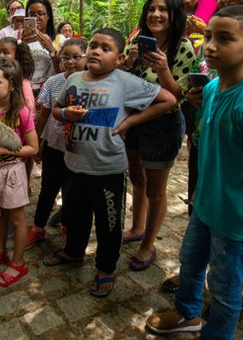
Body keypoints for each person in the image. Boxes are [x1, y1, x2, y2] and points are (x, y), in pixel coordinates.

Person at [146, 5, 243, 338]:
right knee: (191, 262)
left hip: (237, 218)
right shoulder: (213, 89)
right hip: (207, 205)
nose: (211, 46)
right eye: (210, 36)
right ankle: (187, 314)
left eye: (225, 38)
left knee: (225, 290)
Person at [43, 28, 176, 298]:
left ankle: (105, 268)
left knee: (109, 223)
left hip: (107, 169)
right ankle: (73, 251)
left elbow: (169, 99)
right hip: (73, 165)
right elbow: (57, 109)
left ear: (119, 58)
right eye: (93, 45)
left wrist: (130, 121)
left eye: (106, 48)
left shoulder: (125, 82)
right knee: (75, 214)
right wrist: (65, 113)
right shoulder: (75, 79)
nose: (96, 51)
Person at [121, 0, 195, 271]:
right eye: (151, 8)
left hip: (163, 124)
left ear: (175, 14)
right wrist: (128, 62)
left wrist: (163, 68)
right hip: (135, 119)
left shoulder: (183, 47)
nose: (156, 14)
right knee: (137, 179)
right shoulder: (136, 40)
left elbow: (179, 95)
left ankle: (148, 244)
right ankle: (136, 227)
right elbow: (127, 79)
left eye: (163, 9)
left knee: (156, 189)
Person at [0, 57, 39, 287]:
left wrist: (4, 149)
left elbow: (33, 147)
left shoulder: (21, 113)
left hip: (13, 172)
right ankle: (0, 251)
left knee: (17, 217)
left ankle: (18, 262)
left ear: (11, 85)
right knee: (0, 215)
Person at [26, 37, 88, 248]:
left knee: (73, 190)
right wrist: (39, 142)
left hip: (79, 150)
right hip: (54, 145)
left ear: (86, 58)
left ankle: (67, 226)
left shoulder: (93, 84)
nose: (70, 61)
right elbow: (43, 114)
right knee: (48, 188)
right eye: (66, 57)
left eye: (76, 57)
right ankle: (38, 227)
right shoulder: (53, 82)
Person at [24, 0, 61, 95]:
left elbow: (63, 72)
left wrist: (52, 50)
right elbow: (11, 68)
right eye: (31, 14)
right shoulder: (17, 39)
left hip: (51, 93)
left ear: (48, 16)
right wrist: (21, 46)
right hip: (24, 93)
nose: (36, 18)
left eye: (40, 14)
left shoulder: (59, 40)